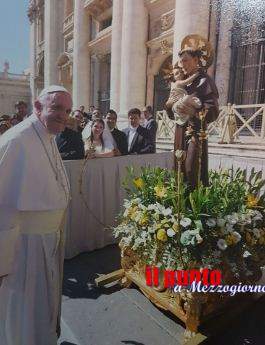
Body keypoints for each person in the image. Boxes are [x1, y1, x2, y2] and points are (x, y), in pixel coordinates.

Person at [0, 85, 72, 345]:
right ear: (38, 107)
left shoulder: (47, 135)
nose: (63, 116)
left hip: (46, 240)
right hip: (24, 249)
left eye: (67, 110)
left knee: (41, 305)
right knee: (25, 306)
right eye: (57, 108)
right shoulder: (17, 140)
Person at [165, 34, 219, 190]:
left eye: (186, 60)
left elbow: (214, 110)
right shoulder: (181, 81)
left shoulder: (205, 81)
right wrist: (169, 105)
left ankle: (196, 207)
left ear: (196, 60)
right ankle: (180, 207)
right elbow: (170, 109)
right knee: (179, 170)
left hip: (196, 132)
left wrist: (195, 112)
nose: (182, 64)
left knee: (192, 169)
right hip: (180, 131)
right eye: (181, 61)